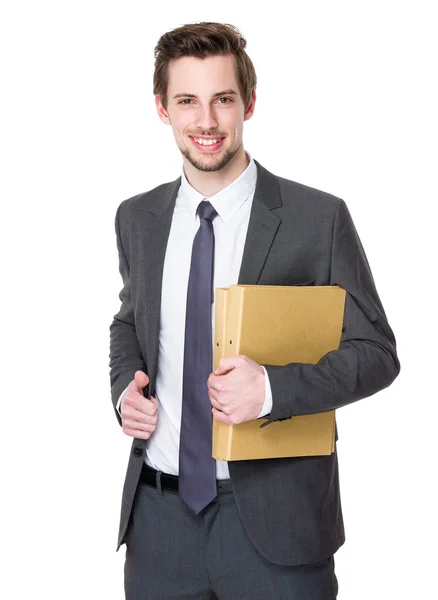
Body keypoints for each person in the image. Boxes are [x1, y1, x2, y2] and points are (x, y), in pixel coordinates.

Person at [109, 21, 400, 599]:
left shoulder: (318, 219)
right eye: (187, 100)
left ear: (250, 103)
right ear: (163, 109)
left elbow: (377, 354)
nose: (207, 121)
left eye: (223, 99)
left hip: (276, 523)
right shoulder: (136, 218)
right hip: (160, 523)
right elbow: (129, 321)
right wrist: (125, 389)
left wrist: (270, 390)